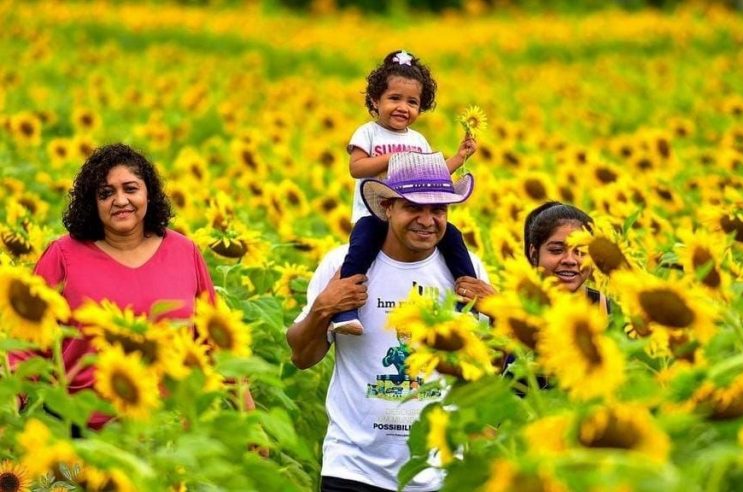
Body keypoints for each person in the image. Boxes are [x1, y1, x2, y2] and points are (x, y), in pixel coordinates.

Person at [287, 152, 491, 492]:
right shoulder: (341, 265)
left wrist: (500, 316)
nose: (428, 220)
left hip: (441, 471)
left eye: (438, 210)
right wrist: (323, 308)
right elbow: (302, 357)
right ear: (388, 208)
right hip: (353, 467)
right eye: (413, 207)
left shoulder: (468, 273)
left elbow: (482, 371)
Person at [11, 143, 250, 430]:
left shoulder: (183, 251)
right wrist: (9, 406)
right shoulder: (63, 255)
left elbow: (214, 340)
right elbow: (27, 345)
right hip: (81, 429)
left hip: (170, 430)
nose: (120, 200)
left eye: (130, 188)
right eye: (106, 193)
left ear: (148, 193)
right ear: (92, 202)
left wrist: (247, 416)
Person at [331, 49, 478, 336]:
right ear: (376, 101)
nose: (403, 107)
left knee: (453, 238)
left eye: (412, 102)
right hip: (373, 213)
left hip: (411, 212)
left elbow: (430, 176)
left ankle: (466, 302)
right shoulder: (368, 133)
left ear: (420, 108)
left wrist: (459, 158)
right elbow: (356, 168)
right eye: (394, 98)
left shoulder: (418, 140)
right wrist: (394, 158)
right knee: (360, 250)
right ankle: (344, 309)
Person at [523, 201, 609, 312]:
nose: (570, 260)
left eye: (580, 251)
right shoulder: (517, 308)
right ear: (534, 254)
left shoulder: (604, 307)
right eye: (556, 250)